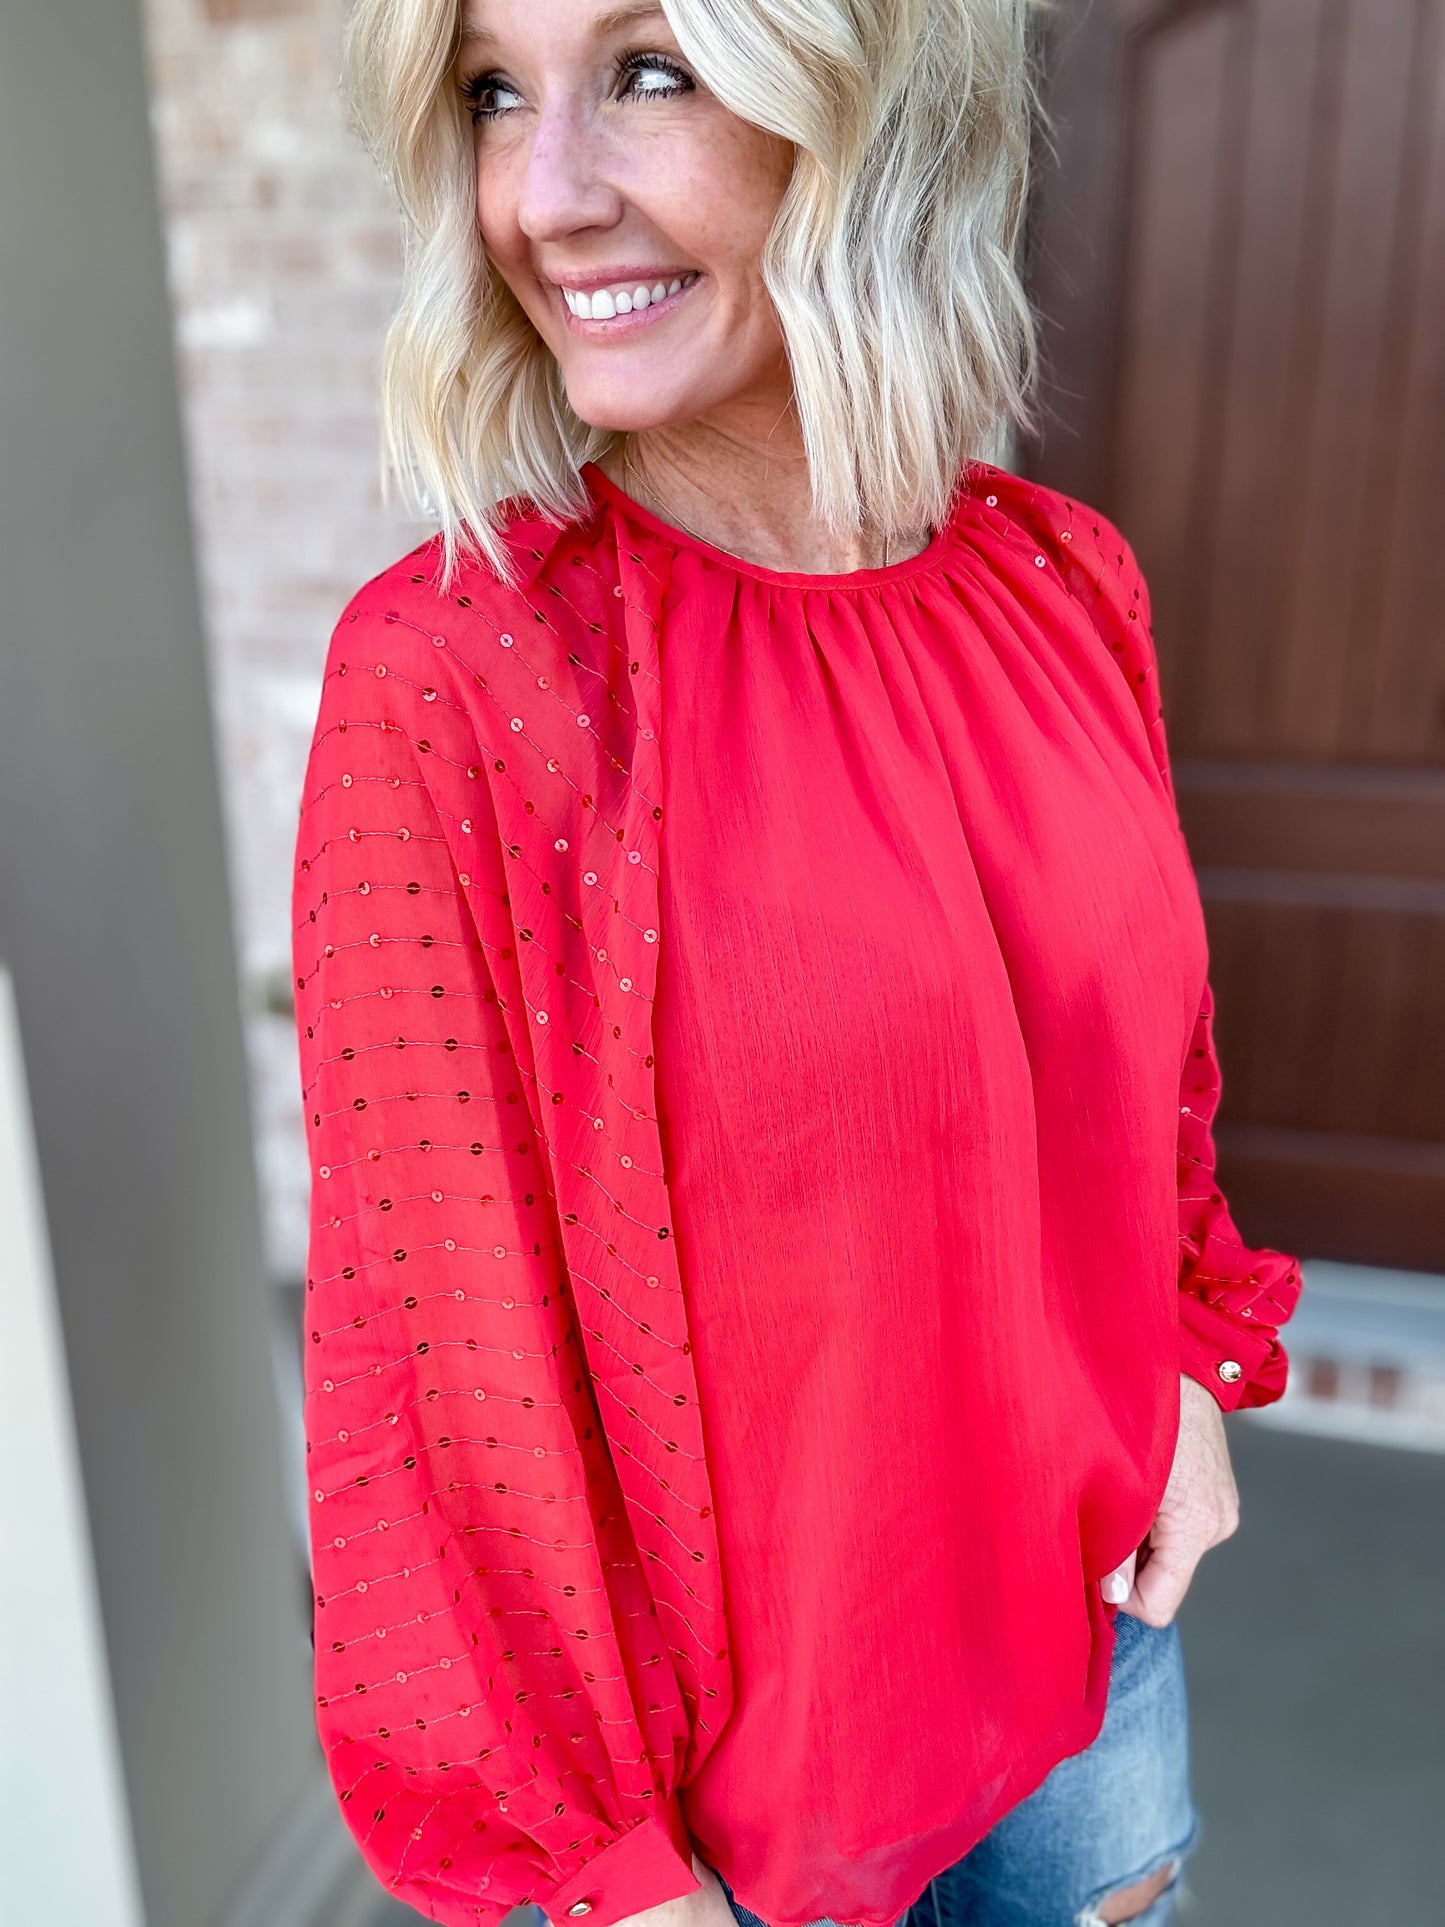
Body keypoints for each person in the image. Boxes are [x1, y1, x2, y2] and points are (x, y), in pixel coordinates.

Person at [290, 2, 1303, 1925]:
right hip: (739, 1824)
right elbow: (438, 1364)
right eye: (497, 95)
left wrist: (1181, 1352)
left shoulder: (1060, 581)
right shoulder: (470, 681)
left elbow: (1133, 1065)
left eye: (650, 72)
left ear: (870, 103)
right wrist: (609, 1877)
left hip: (1101, 1666)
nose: (547, 193)